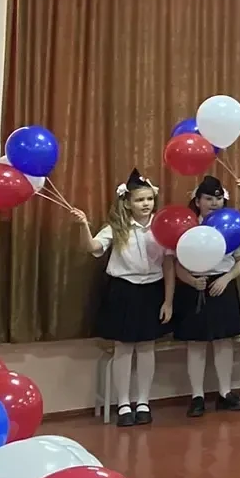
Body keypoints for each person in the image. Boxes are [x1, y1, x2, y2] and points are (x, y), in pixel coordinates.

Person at [79, 169, 173, 426]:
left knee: (146, 347)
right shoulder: (116, 228)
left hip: (152, 290)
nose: (145, 204)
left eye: (149, 199)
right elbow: (94, 247)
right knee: (123, 348)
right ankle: (122, 404)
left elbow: (168, 266)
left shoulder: (162, 227)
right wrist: (84, 226)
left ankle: (143, 401)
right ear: (128, 203)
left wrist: (168, 301)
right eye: (140, 200)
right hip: (123, 291)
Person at [171, 174, 240, 416]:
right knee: (196, 344)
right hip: (194, 287)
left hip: (222, 286)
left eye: (218, 198)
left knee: (224, 342)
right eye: (208, 198)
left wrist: (226, 278)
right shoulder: (187, 227)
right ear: (197, 201)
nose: (214, 203)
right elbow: (176, 264)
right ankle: (197, 396)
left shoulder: (230, 225)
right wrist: (192, 281)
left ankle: (225, 393)